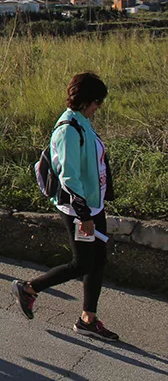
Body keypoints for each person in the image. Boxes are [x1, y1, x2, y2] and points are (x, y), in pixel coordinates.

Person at [13, 72, 119, 341]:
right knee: (82, 263)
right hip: (78, 209)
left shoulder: (82, 122)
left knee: (98, 260)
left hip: (93, 205)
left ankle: (88, 319)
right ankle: (29, 289)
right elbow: (68, 176)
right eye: (97, 102)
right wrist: (84, 215)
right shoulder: (68, 130)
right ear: (86, 101)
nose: (99, 107)